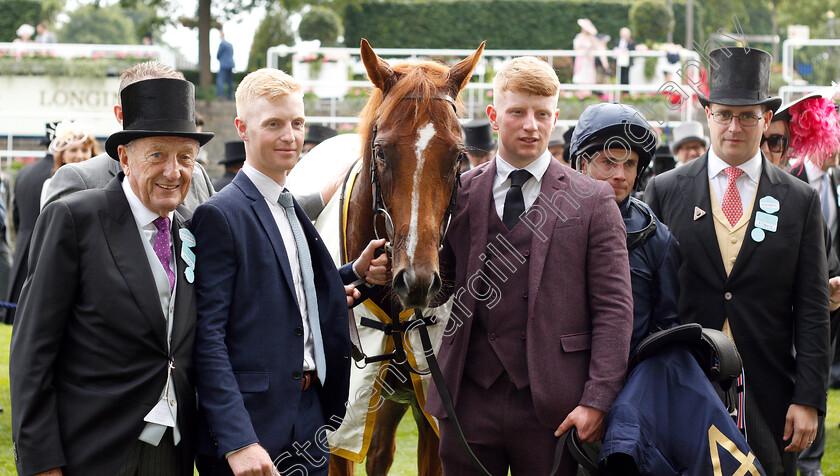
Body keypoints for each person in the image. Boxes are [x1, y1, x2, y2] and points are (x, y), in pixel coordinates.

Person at [426, 56, 634, 476]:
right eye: (517, 112)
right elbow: (439, 284)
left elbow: (615, 309)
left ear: (556, 117)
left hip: (553, 405)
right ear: (493, 115)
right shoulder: (459, 192)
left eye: (542, 114)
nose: (531, 125)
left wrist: (596, 398)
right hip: (467, 396)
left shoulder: (593, 200)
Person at [10, 76, 214, 476]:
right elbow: (32, 350)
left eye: (186, 158)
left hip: (172, 452)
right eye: (157, 155)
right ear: (124, 157)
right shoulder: (74, 219)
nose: (173, 172)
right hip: (91, 449)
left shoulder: (191, 228)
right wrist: (41, 461)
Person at [191, 68, 389, 476]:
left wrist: (353, 272)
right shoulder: (219, 215)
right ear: (242, 129)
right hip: (252, 430)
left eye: (297, 123)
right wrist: (238, 440)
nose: (290, 136)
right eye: (274, 124)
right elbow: (207, 339)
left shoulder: (288, 205)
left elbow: (287, 291)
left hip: (309, 416)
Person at [644, 47, 830, 475]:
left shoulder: (800, 200)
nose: (734, 126)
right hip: (684, 383)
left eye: (748, 116)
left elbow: (813, 310)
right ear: (707, 113)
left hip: (769, 394)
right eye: (725, 114)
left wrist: (807, 398)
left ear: (766, 120)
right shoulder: (665, 190)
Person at [573, 103, 680, 353]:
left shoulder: (658, 238)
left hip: (632, 380)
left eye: (629, 164)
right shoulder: (550, 224)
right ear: (582, 164)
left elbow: (666, 326)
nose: (620, 174)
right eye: (608, 162)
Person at [43, 61, 215, 212]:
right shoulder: (80, 181)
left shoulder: (197, 177)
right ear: (120, 114)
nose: (172, 173)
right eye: (156, 154)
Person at [5, 122, 56, 324]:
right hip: (46, 243)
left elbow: (15, 214)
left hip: (24, 239)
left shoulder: (24, 173)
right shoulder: (58, 174)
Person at [39, 121, 99, 209]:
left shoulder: (100, 184)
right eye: (73, 150)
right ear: (62, 154)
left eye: (84, 150)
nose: (79, 156)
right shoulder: (50, 185)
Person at [573, 19, 598, 98]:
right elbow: (576, 47)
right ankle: (581, 94)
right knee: (581, 75)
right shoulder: (579, 37)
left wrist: (591, 37)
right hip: (581, 59)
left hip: (589, 60)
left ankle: (588, 94)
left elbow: (595, 47)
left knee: (589, 75)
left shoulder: (591, 38)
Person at [216, 29, 235, 100]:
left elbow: (218, 55)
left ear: (221, 35)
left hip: (224, 64)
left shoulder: (222, 44)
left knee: (220, 80)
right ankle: (230, 96)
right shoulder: (230, 45)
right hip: (230, 64)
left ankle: (220, 95)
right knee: (230, 81)